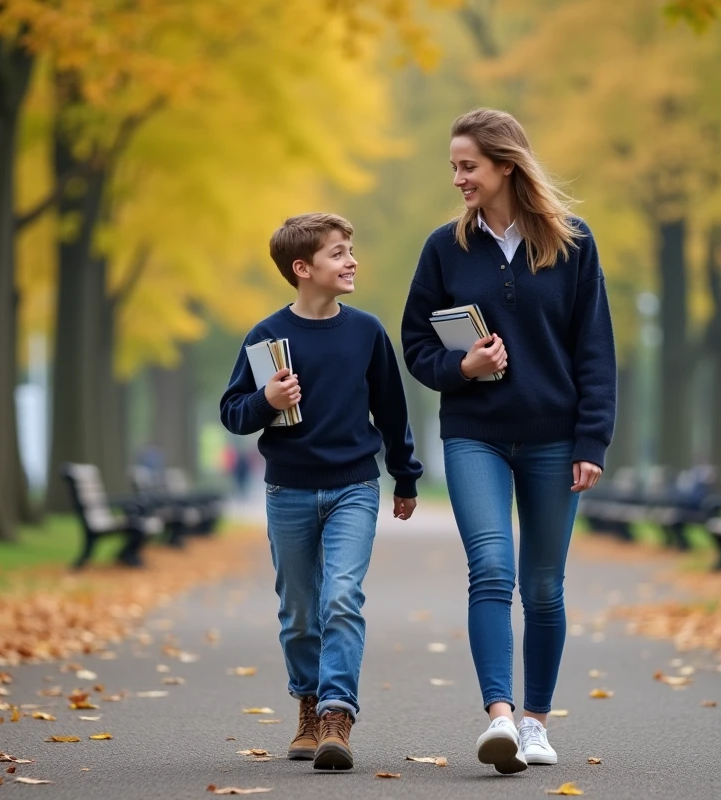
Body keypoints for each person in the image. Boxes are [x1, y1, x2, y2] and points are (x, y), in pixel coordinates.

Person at [401, 108, 617, 774]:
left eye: (468, 166)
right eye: (454, 167)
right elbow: (414, 343)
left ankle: (536, 723)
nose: (459, 178)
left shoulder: (574, 243)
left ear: (505, 165)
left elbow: (595, 353)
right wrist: (459, 370)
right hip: (476, 435)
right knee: (491, 568)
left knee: (544, 586)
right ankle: (498, 717)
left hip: (555, 438)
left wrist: (592, 441)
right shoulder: (444, 248)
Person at [220, 213, 423, 771]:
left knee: (341, 596)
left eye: (350, 249)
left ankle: (337, 714)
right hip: (287, 490)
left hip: (354, 486)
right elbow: (233, 413)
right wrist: (268, 400)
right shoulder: (266, 337)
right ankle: (307, 707)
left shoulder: (366, 332)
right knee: (300, 611)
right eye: (338, 253)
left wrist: (405, 477)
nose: (351, 260)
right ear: (302, 269)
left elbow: (392, 410)